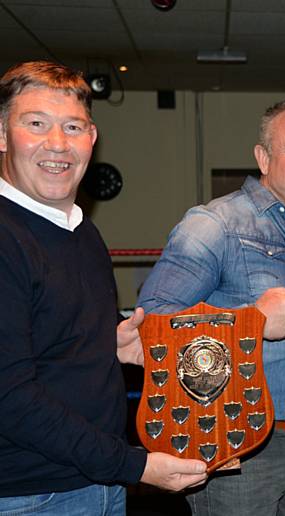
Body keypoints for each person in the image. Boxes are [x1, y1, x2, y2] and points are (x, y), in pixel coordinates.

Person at [0, 61, 208, 514]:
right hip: (30, 495)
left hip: (96, 483)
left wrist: (104, 343)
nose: (57, 144)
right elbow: (9, 397)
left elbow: (44, 336)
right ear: (2, 136)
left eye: (72, 127)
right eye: (36, 124)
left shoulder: (80, 230)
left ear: (92, 139)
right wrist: (134, 466)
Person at [137, 96, 285, 516]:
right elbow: (152, 329)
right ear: (263, 158)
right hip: (240, 447)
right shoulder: (215, 225)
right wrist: (249, 323)